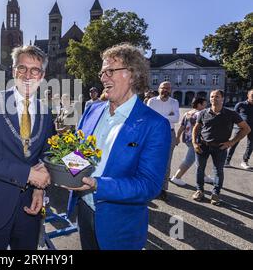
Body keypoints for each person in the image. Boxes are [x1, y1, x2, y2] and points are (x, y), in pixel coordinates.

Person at [66, 43, 170, 250]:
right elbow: (77, 151)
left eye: (110, 71)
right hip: (83, 210)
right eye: (102, 72)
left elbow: (148, 186)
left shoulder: (155, 124)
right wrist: (64, 170)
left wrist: (97, 185)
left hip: (119, 224)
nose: (103, 78)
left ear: (133, 74)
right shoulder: (92, 110)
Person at [0, 45, 54, 250]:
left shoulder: (45, 111)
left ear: (42, 75)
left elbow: (47, 153)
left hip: (29, 208)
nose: (28, 75)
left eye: (35, 70)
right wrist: (28, 174)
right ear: (13, 71)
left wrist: (40, 188)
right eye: (22, 68)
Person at [192, 90, 250, 205]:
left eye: (217, 96)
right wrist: (194, 142)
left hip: (220, 147)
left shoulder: (231, 114)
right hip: (203, 145)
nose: (214, 99)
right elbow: (196, 128)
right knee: (200, 169)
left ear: (222, 98)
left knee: (218, 171)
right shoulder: (203, 113)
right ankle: (199, 191)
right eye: (212, 96)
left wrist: (231, 142)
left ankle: (216, 194)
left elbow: (246, 129)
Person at [147, 81, 180, 201]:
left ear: (170, 90)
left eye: (168, 88)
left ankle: (163, 189)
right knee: (152, 160)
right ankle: (151, 186)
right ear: (158, 88)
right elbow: (148, 117)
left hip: (169, 134)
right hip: (154, 134)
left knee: (166, 162)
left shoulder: (174, 102)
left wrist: (159, 116)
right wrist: (167, 116)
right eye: (163, 88)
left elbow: (176, 118)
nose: (165, 90)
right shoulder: (152, 101)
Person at [170, 97, 213, 186]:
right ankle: (176, 177)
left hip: (187, 139)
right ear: (199, 104)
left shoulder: (188, 113)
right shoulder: (201, 113)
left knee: (199, 159)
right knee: (189, 159)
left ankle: (204, 176)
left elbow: (182, 127)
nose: (206, 106)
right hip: (197, 140)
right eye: (204, 104)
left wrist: (178, 138)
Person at [225, 89, 253, 169]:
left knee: (250, 146)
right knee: (233, 143)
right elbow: (232, 117)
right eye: (252, 95)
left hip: (252, 129)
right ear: (248, 95)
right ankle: (227, 161)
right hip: (241, 128)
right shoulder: (240, 104)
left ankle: (245, 161)